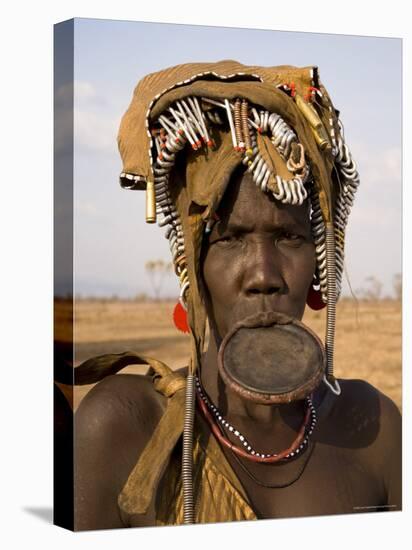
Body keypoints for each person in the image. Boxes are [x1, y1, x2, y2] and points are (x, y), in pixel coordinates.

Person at [74, 60, 401, 530]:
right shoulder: (121, 426)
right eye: (230, 239)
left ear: (319, 265)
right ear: (193, 268)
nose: (264, 274)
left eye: (289, 238)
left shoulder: (374, 428)